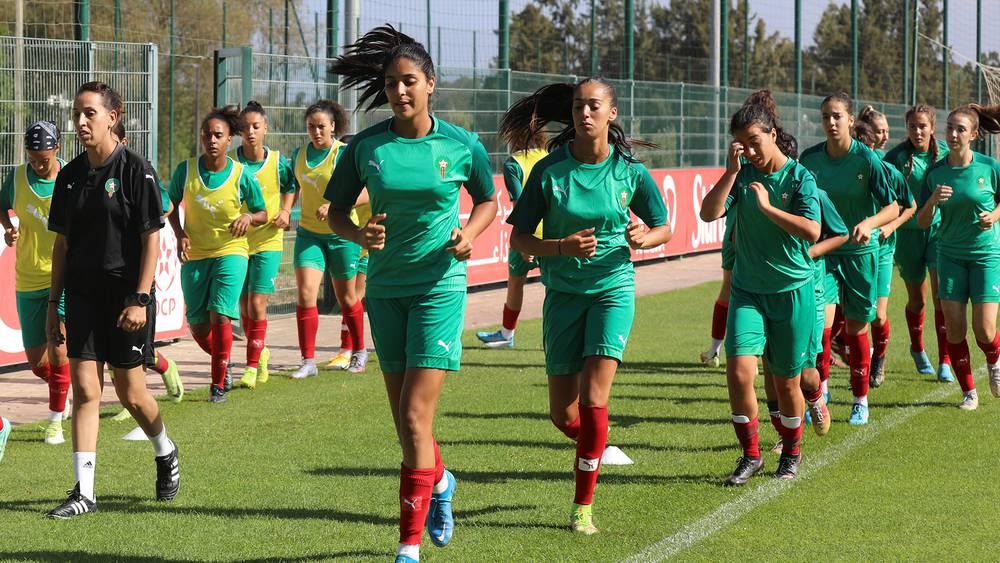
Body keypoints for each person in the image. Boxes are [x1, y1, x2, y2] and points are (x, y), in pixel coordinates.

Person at [326, 25, 498, 563]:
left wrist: (468, 236)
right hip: (385, 290)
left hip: (439, 287)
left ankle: (408, 546)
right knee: (406, 422)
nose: (400, 91)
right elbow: (333, 212)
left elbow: (489, 202)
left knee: (417, 417)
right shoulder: (367, 146)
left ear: (431, 84)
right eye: (392, 83)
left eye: (409, 82)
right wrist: (359, 234)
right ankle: (441, 483)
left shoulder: (461, 143)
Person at [505, 77, 672, 532]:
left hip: (613, 289)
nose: (585, 113)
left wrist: (646, 236)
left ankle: (583, 507)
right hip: (562, 296)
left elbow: (663, 227)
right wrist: (560, 247)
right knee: (563, 414)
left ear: (611, 114)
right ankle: (596, 445)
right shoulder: (549, 172)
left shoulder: (629, 173)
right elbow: (519, 237)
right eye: (579, 106)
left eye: (594, 106)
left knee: (595, 397)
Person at [45, 81, 179, 518]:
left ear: (112, 118)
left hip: (126, 298)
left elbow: (152, 239)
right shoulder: (68, 177)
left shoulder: (136, 170)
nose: (81, 122)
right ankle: (84, 493)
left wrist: (140, 298)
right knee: (85, 390)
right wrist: (54, 306)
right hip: (82, 296)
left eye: (89, 113)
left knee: (131, 394)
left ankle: (165, 451)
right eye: (77, 114)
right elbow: (62, 246)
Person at [701, 90, 821, 485]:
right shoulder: (743, 175)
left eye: (755, 142)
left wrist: (769, 209)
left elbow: (812, 230)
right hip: (748, 292)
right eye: (743, 144)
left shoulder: (800, 177)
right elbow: (709, 212)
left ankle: (791, 453)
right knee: (738, 374)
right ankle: (750, 455)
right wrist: (732, 170)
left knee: (787, 383)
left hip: (792, 292)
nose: (751, 151)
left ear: (772, 133)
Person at [799, 93, 899, 426]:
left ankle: (860, 399)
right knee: (821, 328)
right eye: (826, 116)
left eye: (837, 116)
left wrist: (869, 224)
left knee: (856, 328)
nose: (830, 122)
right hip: (824, 256)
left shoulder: (866, 159)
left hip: (860, 255)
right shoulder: (809, 159)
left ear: (851, 120)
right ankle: (822, 391)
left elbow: (893, 207)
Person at [166, 106, 267, 403]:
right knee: (198, 327)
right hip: (196, 255)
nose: (211, 140)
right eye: (206, 134)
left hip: (231, 251)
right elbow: (171, 205)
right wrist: (180, 233)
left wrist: (248, 218)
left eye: (218, 135)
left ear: (229, 140)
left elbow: (262, 211)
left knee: (220, 314)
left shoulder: (241, 174)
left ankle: (217, 384)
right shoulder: (185, 170)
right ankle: (225, 363)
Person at [916, 104, 1000, 410]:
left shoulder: (989, 167)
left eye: (960, 129)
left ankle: (994, 361)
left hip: (986, 256)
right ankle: (969, 392)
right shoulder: (935, 173)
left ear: (974, 135)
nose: (952, 134)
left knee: (985, 330)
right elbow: (922, 221)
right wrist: (934, 201)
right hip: (949, 255)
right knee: (954, 329)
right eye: (949, 127)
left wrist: (994, 215)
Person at [0, 121, 71, 445]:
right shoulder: (16, 177)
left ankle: (55, 421)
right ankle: (64, 389)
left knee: (58, 349)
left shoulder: (72, 178)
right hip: (27, 277)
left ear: (57, 148)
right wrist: (8, 228)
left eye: (43, 158)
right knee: (36, 362)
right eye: (32, 159)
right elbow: (3, 206)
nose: (38, 165)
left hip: (63, 276)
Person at [109, 120, 184, 408]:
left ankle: (163, 373)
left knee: (143, 354)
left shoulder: (141, 172)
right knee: (109, 351)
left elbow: (166, 205)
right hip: (103, 280)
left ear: (123, 143)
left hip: (136, 278)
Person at [289, 100, 368, 378]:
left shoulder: (344, 153)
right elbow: (293, 187)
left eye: (321, 126)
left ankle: (359, 351)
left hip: (343, 233)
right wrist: (286, 209)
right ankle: (308, 361)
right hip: (309, 234)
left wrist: (338, 205)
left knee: (347, 297)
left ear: (333, 126)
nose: (316, 132)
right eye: (311, 126)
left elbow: (369, 190)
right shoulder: (299, 155)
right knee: (305, 293)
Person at [883, 104, 955, 382]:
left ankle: (945, 361)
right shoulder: (896, 157)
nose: (917, 131)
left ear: (932, 127)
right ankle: (917, 348)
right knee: (917, 299)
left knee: (941, 297)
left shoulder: (946, 155)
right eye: (912, 126)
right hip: (908, 235)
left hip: (938, 233)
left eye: (922, 125)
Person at [231, 101, 297, 389]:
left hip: (269, 240)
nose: (250, 132)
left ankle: (251, 366)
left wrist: (285, 211)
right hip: (238, 243)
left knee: (257, 303)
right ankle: (261, 350)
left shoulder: (278, 162)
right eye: (244, 128)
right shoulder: (231, 162)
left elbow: (291, 187)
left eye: (256, 127)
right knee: (244, 307)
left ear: (265, 128)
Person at [853, 116, 917, 388]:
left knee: (877, 315)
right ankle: (854, 369)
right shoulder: (841, 171)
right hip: (849, 251)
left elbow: (910, 205)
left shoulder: (888, 170)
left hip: (880, 250)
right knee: (852, 317)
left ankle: (878, 358)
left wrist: (890, 225)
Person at [476, 129, 548, 349]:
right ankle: (557, 336)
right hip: (555, 233)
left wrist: (525, 240)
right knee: (555, 287)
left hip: (528, 235)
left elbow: (520, 207)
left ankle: (507, 335)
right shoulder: (551, 157)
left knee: (516, 283)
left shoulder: (513, 164)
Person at [700, 213, 735, 368]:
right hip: (760, 234)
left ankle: (714, 352)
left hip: (736, 230)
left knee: (728, 291)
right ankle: (752, 356)